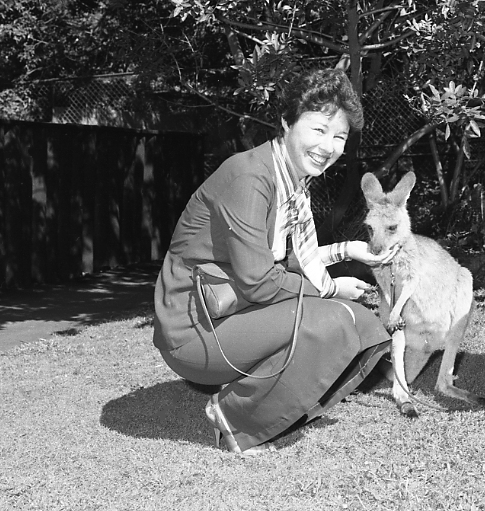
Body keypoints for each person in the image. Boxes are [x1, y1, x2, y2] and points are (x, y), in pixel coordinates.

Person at [153, 68, 398, 455]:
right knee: (337, 319)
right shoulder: (250, 178)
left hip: (234, 311)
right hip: (194, 329)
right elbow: (260, 281)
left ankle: (281, 399)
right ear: (287, 122)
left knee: (360, 322)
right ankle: (233, 416)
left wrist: (348, 251)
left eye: (339, 137)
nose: (329, 146)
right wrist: (329, 289)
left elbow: (292, 261)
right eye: (319, 130)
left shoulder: (291, 181)